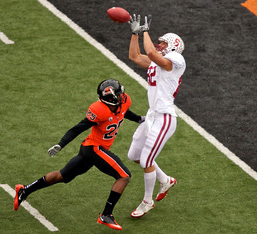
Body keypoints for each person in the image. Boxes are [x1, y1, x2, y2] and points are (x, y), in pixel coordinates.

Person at [14, 79, 144, 231]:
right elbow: (78, 128)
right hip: (94, 148)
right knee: (124, 176)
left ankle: (24, 189)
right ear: (111, 98)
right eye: (119, 94)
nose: (123, 96)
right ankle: (106, 215)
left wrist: (139, 119)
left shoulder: (123, 102)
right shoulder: (99, 110)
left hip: (91, 149)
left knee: (62, 176)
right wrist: (61, 144)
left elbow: (123, 111)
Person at [127, 14, 186, 218]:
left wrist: (145, 31)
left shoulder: (176, 60)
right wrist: (135, 35)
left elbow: (151, 52)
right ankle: (165, 180)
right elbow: (135, 56)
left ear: (172, 46)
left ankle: (147, 201)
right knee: (134, 155)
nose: (159, 44)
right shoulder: (158, 61)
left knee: (146, 160)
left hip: (165, 117)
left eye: (162, 42)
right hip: (153, 116)